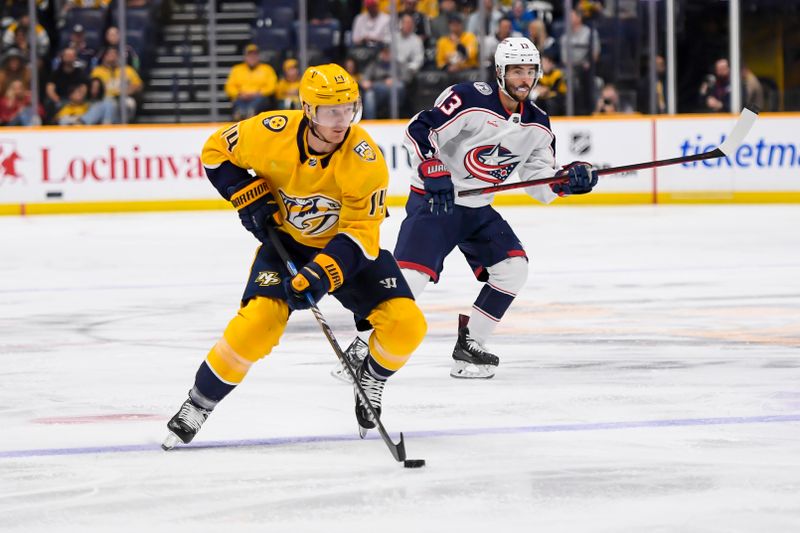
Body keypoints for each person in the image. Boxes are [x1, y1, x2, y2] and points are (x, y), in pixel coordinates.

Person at [163, 63, 427, 449]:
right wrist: (244, 191)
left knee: (408, 326)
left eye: (348, 109)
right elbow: (215, 151)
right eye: (330, 111)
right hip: (286, 243)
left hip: (349, 252)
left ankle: (371, 374)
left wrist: (321, 275)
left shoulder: (365, 159)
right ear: (307, 110)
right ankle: (200, 403)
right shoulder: (270, 133)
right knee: (256, 326)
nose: (341, 122)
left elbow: (361, 233)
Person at [335, 38, 598, 381]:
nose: (524, 78)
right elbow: (420, 128)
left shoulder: (538, 124)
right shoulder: (470, 99)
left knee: (513, 268)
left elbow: (538, 180)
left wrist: (566, 181)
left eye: (530, 71)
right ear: (500, 72)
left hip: (477, 208)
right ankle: (362, 346)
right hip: (436, 203)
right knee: (411, 280)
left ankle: (471, 344)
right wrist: (432, 167)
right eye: (516, 70)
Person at [224, 44, 277, 121]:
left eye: (255, 55)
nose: (252, 58)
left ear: (258, 57)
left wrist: (258, 93)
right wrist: (238, 94)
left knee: (256, 104)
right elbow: (229, 86)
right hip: (241, 97)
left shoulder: (267, 69)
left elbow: (272, 86)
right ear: (245, 57)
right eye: (250, 55)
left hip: (259, 97)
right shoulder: (237, 69)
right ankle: (241, 115)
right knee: (238, 104)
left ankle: (249, 114)